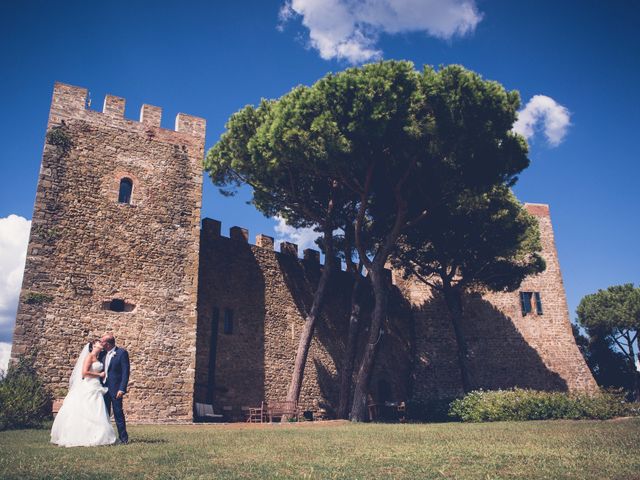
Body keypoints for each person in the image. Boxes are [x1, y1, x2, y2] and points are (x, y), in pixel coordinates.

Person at [50, 340, 117, 447]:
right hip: (89, 385)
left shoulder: (99, 357)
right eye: (99, 343)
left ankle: (97, 435)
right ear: (93, 346)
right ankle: (81, 435)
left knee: (97, 410)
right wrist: (99, 375)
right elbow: (84, 373)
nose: (102, 344)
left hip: (96, 386)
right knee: (86, 409)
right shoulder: (89, 357)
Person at [99, 333, 129, 444]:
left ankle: (123, 438)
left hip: (116, 389)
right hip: (103, 389)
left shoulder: (121, 353)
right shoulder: (102, 354)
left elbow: (125, 372)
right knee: (104, 414)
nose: (101, 343)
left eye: (102, 342)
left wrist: (122, 389)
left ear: (107, 343)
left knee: (118, 413)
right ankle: (106, 438)